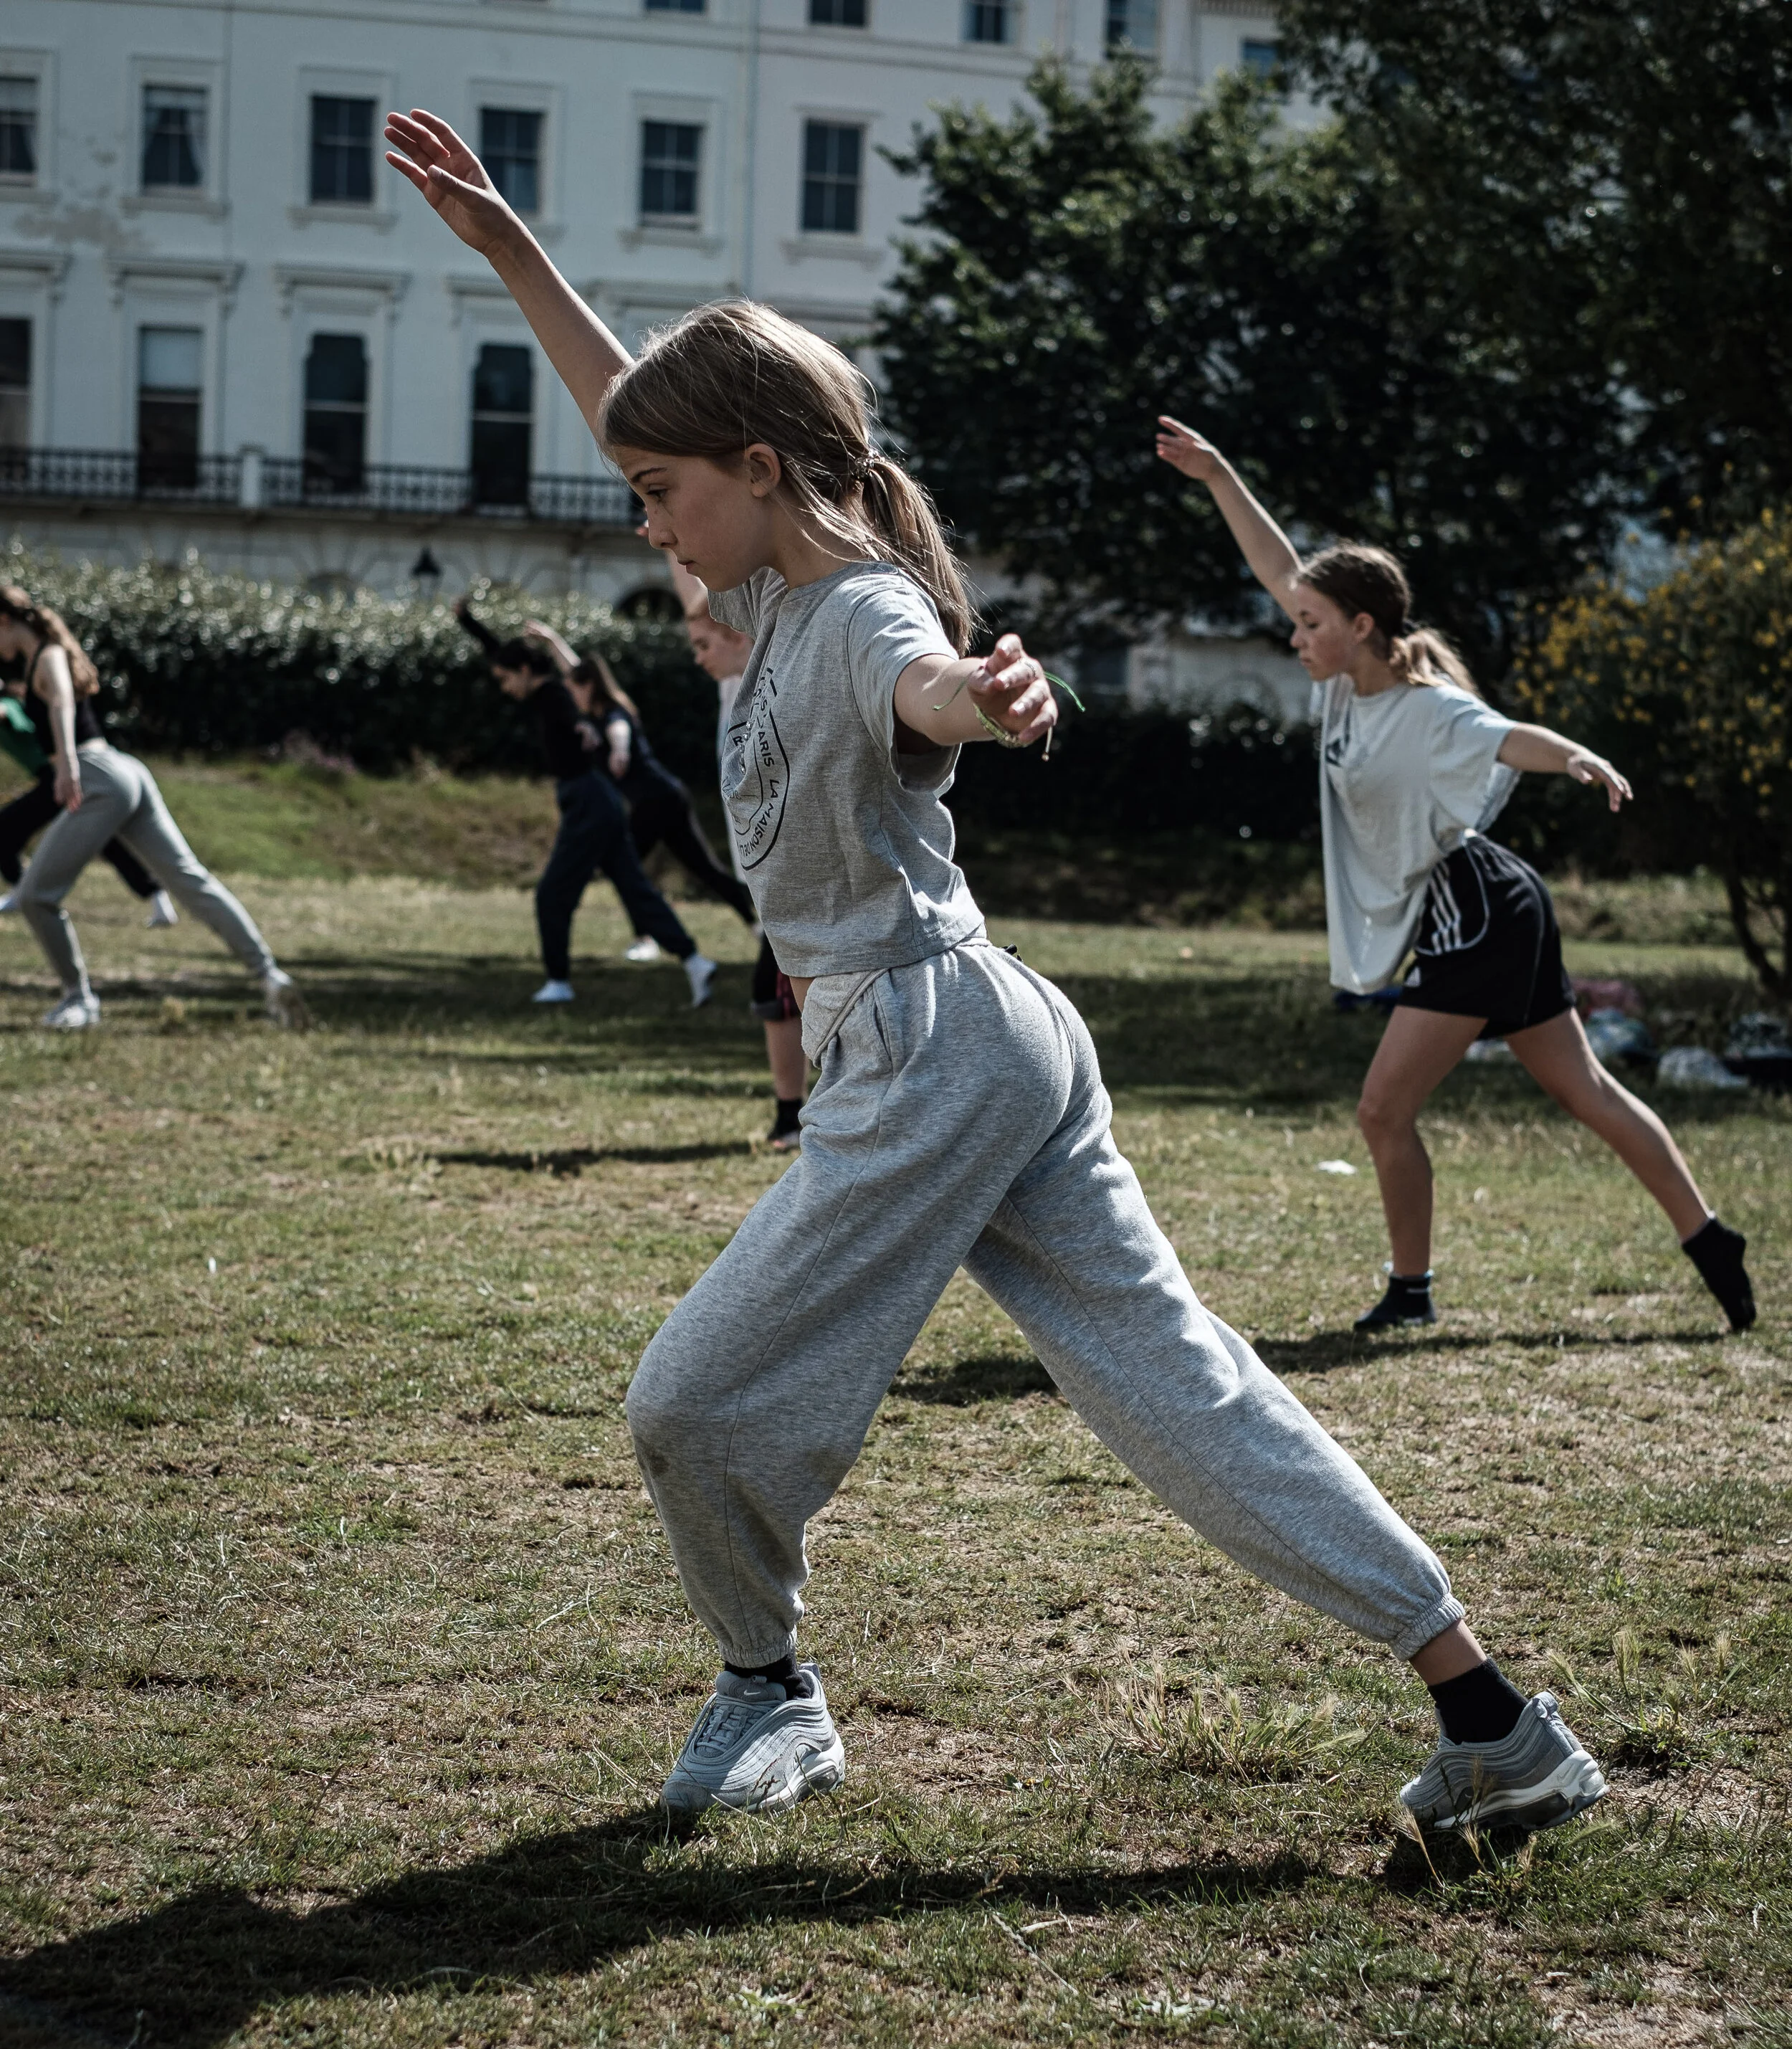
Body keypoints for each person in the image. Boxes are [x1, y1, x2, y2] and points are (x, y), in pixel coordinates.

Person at [389, 103, 1611, 1837]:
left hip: (928, 1042)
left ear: (759, 469)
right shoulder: (763, 560)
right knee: (1179, 1387)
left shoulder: (867, 610)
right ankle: (1492, 1719)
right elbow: (636, 407)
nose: (646, 521)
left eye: (663, 493)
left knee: (686, 1404)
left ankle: (767, 1690)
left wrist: (990, 698)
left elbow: (931, 684)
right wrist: (510, 243)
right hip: (989, 1026)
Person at [1154, 415, 1755, 1337]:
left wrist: (1579, 757)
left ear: (1360, 628)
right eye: (1297, 621)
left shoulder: (1430, 710)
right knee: (1581, 1090)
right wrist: (1218, 474)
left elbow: (1508, 736)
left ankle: (1411, 1290)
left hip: (1473, 909)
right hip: (1488, 902)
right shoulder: (1338, 682)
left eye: (1311, 624)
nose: (1293, 633)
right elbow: (1282, 570)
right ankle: (1711, 1239)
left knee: (1382, 1107)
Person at [0, 584, 306, 1032]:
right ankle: (271, 975)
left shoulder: (47, 656)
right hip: (125, 771)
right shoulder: (39, 658)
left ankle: (79, 1000)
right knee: (190, 880)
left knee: (36, 897)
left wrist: (65, 765)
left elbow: (63, 700)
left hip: (95, 775)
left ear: (4, 621)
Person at [453, 599, 717, 1009]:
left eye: (506, 679)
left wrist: (585, 730)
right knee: (634, 889)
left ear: (525, 672)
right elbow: (500, 653)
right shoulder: (544, 691)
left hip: (588, 803)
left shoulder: (555, 695)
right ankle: (695, 960)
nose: (505, 688)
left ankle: (558, 981)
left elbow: (577, 716)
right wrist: (468, 622)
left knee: (551, 895)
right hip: (600, 801)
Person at [659, 555, 809, 1150]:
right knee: (788, 1002)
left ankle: (798, 1118)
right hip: (768, 878)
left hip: (791, 874)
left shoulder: (767, 675)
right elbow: (698, 594)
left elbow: (714, 603)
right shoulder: (732, 685)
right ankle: (802, 1117)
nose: (698, 656)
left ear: (739, 636)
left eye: (704, 645)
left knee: (781, 1001)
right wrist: (673, 539)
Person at [0, 685, 179, 928]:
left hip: (60, 777)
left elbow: (6, 714)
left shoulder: (10, 705)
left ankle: (23, 893)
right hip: (52, 778)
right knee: (107, 842)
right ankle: (159, 900)